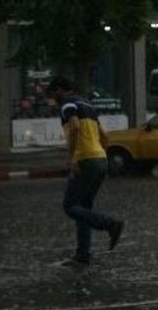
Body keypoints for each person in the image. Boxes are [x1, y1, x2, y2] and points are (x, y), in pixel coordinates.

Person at [48, 76, 124, 267]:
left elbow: (74, 127)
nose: (53, 100)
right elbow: (104, 136)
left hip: (85, 160)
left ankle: (110, 224)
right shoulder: (88, 104)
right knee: (83, 208)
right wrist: (101, 155)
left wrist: (73, 157)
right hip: (100, 159)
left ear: (59, 90)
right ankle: (83, 255)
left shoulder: (68, 104)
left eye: (52, 95)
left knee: (69, 206)